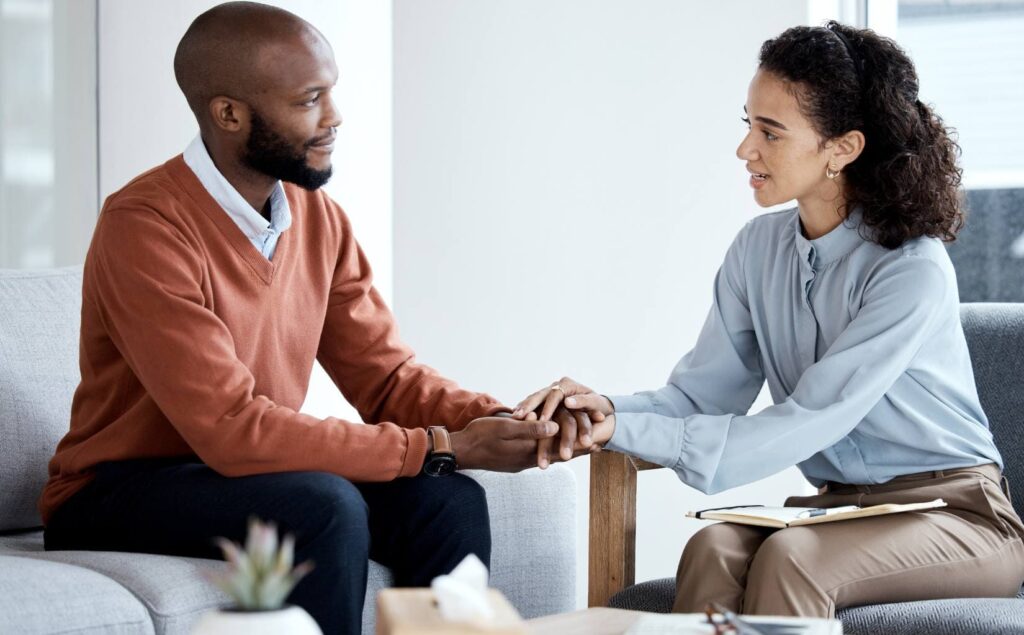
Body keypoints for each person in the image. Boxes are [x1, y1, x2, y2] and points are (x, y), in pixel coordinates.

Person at [40, 3, 560, 633]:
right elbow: (229, 428)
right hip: (116, 489)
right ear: (229, 114)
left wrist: (504, 421)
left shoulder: (320, 220)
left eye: (331, 92)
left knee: (446, 499)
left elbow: (388, 381)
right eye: (310, 99)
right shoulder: (144, 227)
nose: (335, 117)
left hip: (241, 474)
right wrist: (442, 445)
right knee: (324, 506)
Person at [513, 21, 1024, 618]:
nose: (745, 149)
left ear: (843, 148)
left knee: (793, 559)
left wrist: (624, 432)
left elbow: (811, 419)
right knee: (712, 549)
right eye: (747, 124)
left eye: (770, 132)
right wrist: (605, 412)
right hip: (843, 512)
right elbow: (699, 398)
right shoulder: (756, 251)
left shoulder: (912, 269)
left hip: (959, 518)